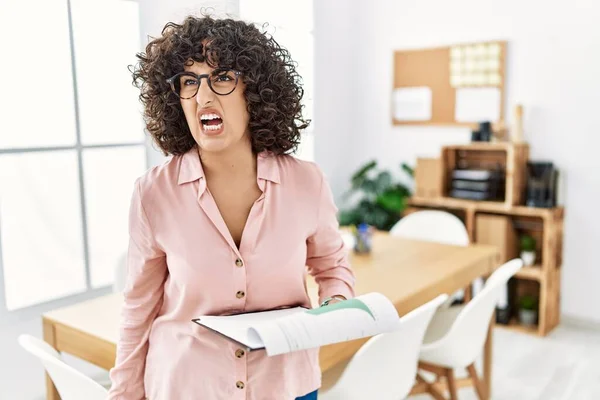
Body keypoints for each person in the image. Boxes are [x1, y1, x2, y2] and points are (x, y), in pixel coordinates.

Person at [108, 14, 355, 400]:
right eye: (189, 81)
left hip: (287, 385)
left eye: (222, 77)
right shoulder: (153, 194)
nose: (203, 97)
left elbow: (332, 265)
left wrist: (336, 301)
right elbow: (138, 308)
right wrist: (124, 393)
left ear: (254, 91)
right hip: (186, 386)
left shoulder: (306, 182)